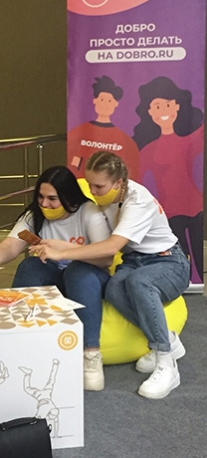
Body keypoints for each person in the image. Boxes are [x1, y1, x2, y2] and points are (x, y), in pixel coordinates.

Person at [31, 151, 189, 399]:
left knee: (139, 283)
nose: (92, 192)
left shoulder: (137, 201)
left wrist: (62, 252)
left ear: (118, 183)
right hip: (134, 260)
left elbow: (111, 248)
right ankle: (168, 338)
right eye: (89, 184)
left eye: (99, 187)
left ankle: (166, 361)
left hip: (168, 260)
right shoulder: (104, 200)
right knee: (114, 288)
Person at [0, 166, 112, 391]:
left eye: (52, 199)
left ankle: (91, 354)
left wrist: (64, 251)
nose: (44, 204)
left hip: (87, 277)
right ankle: (18, 341)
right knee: (30, 265)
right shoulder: (34, 216)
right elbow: (11, 244)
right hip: (55, 277)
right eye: (40, 197)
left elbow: (105, 258)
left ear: (68, 196)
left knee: (78, 272)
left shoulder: (89, 213)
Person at [132, 76, 204, 281]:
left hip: (195, 208)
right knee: (180, 260)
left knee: (200, 255)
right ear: (149, 111)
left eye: (168, 104)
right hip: (170, 214)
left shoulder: (190, 140)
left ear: (177, 106)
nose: (163, 110)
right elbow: (136, 182)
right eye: (157, 106)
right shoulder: (147, 150)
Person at [67, 75, 141, 179]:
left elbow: (131, 175)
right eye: (102, 99)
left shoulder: (127, 142)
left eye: (109, 101)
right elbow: (72, 165)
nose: (105, 105)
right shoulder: (76, 133)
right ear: (95, 100)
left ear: (116, 104)